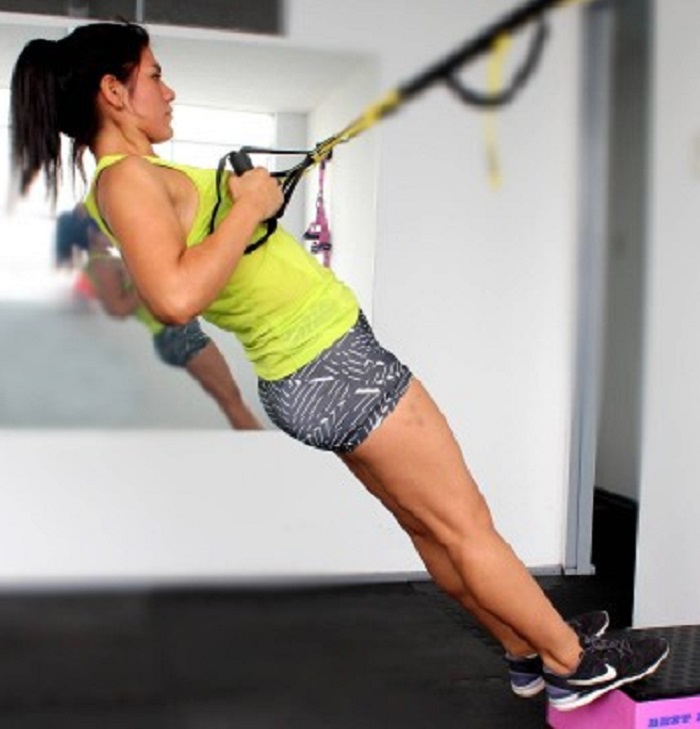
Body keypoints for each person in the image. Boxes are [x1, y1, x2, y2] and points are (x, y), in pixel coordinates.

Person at [10, 22, 668, 712]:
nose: (168, 91)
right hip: (334, 364)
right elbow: (174, 299)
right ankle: (572, 663)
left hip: (313, 370)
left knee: (430, 527)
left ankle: (525, 648)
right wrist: (248, 209)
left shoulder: (135, 181)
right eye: (153, 75)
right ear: (114, 92)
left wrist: (244, 210)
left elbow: (204, 257)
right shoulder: (127, 182)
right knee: (466, 523)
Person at [78, 207, 262, 430]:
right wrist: (146, 278)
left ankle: (255, 443)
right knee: (231, 400)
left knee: (230, 399)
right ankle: (259, 448)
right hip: (175, 335)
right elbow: (117, 308)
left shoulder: (108, 260)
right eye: (108, 229)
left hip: (176, 333)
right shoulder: (102, 265)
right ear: (92, 233)